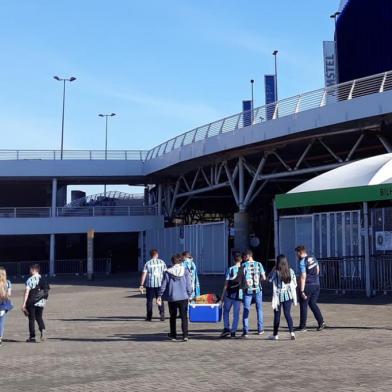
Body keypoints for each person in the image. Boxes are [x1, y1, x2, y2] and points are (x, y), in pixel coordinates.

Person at [158, 254, 192, 342]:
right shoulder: (185, 271)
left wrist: (160, 295)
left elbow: (163, 285)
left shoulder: (168, 272)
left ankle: (173, 335)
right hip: (183, 297)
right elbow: (188, 285)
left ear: (172, 262)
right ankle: (185, 335)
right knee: (184, 316)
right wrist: (189, 294)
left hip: (172, 297)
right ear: (180, 261)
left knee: (172, 316)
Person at [295, 245, 326, 332]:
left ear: (299, 253)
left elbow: (303, 276)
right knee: (312, 303)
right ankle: (321, 322)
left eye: (296, 254)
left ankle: (302, 326)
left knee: (303, 305)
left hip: (308, 285)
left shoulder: (302, 261)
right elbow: (318, 270)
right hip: (316, 285)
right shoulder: (313, 258)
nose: (296, 256)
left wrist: (301, 290)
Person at [268, 255, 297, 341]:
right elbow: (295, 283)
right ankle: (292, 333)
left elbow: (269, 279)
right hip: (288, 295)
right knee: (287, 314)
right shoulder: (290, 271)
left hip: (278, 296)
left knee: (277, 315)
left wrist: (272, 269)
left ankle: (275, 334)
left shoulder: (276, 272)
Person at [240, 249, 266, 338]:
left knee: (246, 309)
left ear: (247, 256)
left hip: (248, 291)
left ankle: (246, 331)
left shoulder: (243, 265)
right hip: (258, 290)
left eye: (244, 256)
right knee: (259, 309)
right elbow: (264, 277)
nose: (243, 258)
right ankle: (260, 329)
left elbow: (241, 279)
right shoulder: (259, 264)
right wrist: (258, 280)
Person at [22, 264, 49, 343]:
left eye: (30, 269)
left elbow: (27, 292)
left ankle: (32, 337)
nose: (29, 271)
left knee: (31, 319)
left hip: (32, 301)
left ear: (34, 270)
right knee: (39, 317)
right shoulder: (43, 279)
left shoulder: (30, 279)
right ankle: (42, 330)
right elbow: (45, 291)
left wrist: (24, 303)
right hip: (41, 302)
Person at [140, 249, 167, 321]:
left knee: (149, 301)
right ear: (157, 254)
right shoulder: (162, 262)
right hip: (160, 284)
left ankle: (149, 316)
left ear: (151, 255)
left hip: (150, 285)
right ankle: (162, 314)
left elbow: (144, 275)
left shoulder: (148, 263)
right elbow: (165, 273)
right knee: (160, 299)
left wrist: (141, 285)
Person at [220, 252, 242, 338]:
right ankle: (233, 331)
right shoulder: (244, 269)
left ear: (233, 260)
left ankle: (226, 328)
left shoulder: (230, 269)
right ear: (241, 260)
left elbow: (226, 284)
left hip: (229, 294)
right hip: (238, 295)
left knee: (226, 311)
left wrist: (222, 296)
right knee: (236, 314)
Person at [0, 267, 13, 346]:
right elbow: (9, 294)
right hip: (3, 304)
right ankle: (0, 338)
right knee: (1, 322)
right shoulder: (8, 282)